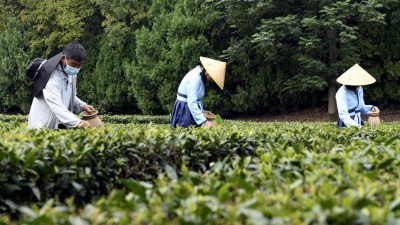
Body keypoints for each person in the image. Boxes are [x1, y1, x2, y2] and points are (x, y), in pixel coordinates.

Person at [27, 41, 95, 129]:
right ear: (63, 58)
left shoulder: (72, 74)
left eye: (79, 65)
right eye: (73, 64)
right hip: (42, 126)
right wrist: (77, 122)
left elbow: (71, 96)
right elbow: (56, 104)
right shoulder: (52, 77)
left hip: (59, 124)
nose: (76, 68)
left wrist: (82, 106)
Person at [171, 57, 226, 128]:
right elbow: (192, 102)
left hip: (188, 107)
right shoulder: (195, 79)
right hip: (184, 110)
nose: (212, 81)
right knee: (185, 134)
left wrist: (202, 111)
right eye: (212, 78)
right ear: (207, 73)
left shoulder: (199, 75)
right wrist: (204, 122)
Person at [335, 64, 380, 128]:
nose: (357, 86)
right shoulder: (341, 93)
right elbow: (343, 115)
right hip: (346, 124)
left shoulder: (359, 88)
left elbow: (360, 107)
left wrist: (371, 108)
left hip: (358, 121)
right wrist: (357, 126)